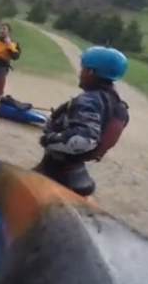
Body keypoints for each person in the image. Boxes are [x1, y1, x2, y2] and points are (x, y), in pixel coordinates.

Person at [33, 46, 130, 197]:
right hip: (76, 169)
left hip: (56, 172)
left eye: (83, 69)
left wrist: (48, 139)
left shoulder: (89, 100)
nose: (80, 73)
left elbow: (83, 139)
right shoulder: (116, 104)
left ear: (91, 72)